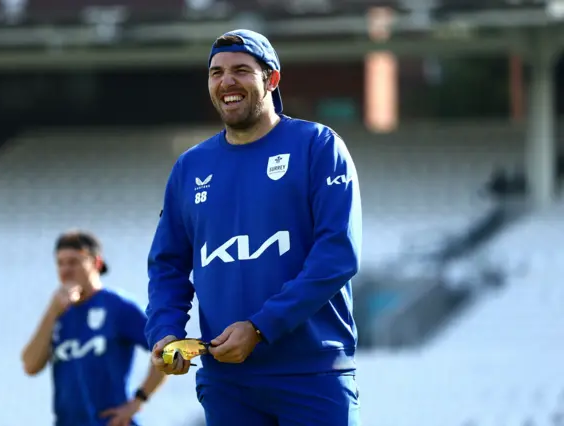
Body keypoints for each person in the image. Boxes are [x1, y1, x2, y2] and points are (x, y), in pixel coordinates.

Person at [145, 29, 362, 426]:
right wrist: (165, 331)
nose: (226, 81)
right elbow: (167, 265)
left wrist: (261, 328)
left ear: (272, 79)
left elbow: (337, 255)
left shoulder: (317, 146)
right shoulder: (191, 167)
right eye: (216, 72)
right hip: (227, 384)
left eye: (241, 70)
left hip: (312, 375)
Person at [21, 230, 167, 426]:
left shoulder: (118, 307)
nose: (65, 270)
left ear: (96, 263)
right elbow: (30, 365)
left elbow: (166, 351)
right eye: (60, 263)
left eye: (73, 262)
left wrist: (138, 400)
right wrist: (51, 313)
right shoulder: (58, 312)